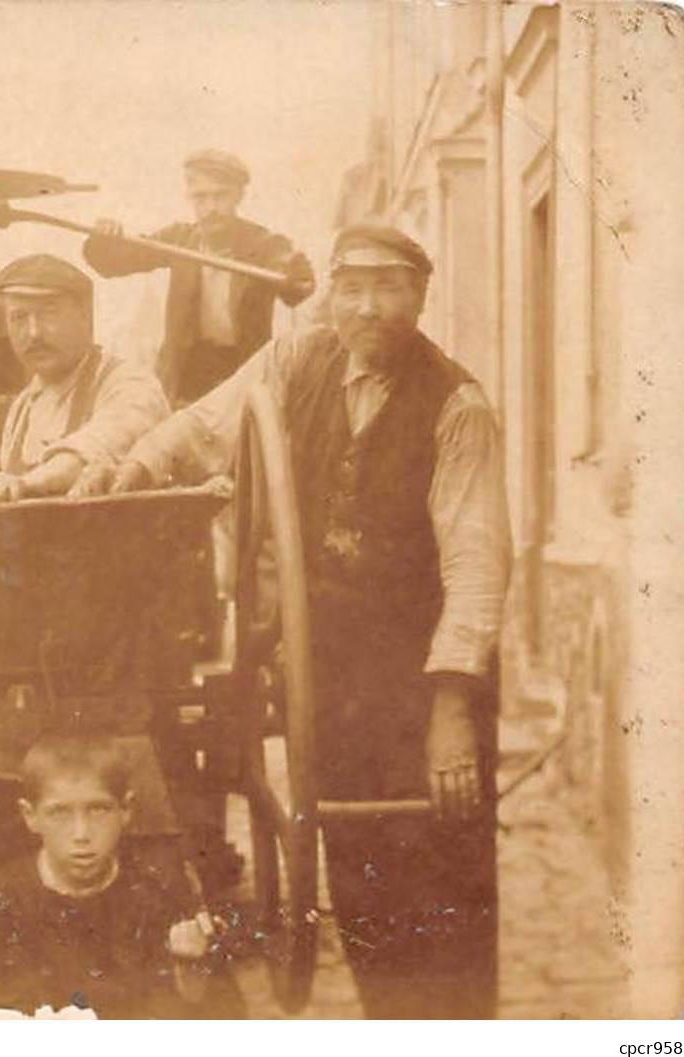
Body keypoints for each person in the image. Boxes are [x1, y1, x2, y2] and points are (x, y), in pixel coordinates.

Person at [80, 224, 510, 1018]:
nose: (367, 307)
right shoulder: (293, 361)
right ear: (331, 295)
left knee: (440, 879)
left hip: (425, 676)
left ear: (418, 296)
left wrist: (450, 708)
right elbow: (206, 424)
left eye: (388, 288)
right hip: (331, 672)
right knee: (357, 871)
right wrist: (135, 466)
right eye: (351, 287)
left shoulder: (456, 406)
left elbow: (477, 564)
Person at [0, 737, 239, 1018]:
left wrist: (188, 966)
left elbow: (218, 1014)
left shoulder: (157, 889)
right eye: (59, 812)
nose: (81, 834)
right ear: (30, 815)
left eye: (98, 810)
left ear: (126, 810)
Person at [0, 253, 169, 504]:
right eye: (19, 317)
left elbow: (95, 449)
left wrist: (23, 484)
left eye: (49, 313)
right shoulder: (23, 408)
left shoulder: (130, 384)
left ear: (85, 316)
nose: (33, 333)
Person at [83, 149, 315, 406]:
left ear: (238, 196)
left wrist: (292, 271)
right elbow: (113, 263)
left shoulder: (264, 244)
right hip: (185, 377)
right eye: (200, 197)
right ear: (189, 198)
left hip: (243, 374)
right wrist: (102, 239)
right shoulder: (179, 240)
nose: (211, 207)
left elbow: (299, 287)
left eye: (220, 196)